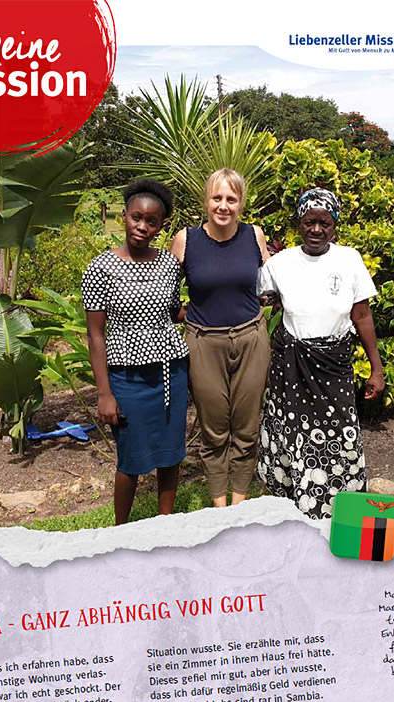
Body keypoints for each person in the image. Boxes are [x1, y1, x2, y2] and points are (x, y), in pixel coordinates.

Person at [256, 188, 385, 520]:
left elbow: (362, 315)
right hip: (290, 367)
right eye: (309, 222)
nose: (316, 230)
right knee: (292, 435)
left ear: (335, 224)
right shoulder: (279, 264)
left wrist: (376, 368)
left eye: (324, 223)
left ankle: (342, 516)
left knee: (341, 435)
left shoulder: (349, 260)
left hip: (334, 364)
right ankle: (293, 511)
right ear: (299, 223)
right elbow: (260, 303)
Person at [82, 179, 189, 525]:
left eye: (152, 222)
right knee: (130, 458)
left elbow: (173, 311)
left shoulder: (169, 265)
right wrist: (104, 394)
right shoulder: (100, 268)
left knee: (171, 454)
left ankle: (165, 524)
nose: (142, 227)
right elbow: (95, 335)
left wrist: (217, 307)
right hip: (127, 378)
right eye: (136, 218)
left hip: (171, 373)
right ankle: (121, 531)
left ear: (160, 227)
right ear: (124, 217)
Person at [171, 168, 271, 508]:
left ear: (241, 202)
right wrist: (189, 316)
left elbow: (270, 282)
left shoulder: (254, 235)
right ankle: (220, 508)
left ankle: (239, 504)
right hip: (203, 343)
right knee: (213, 428)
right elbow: (166, 292)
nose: (223, 206)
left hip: (251, 339)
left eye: (231, 198)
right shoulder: (187, 240)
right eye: (217, 198)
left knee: (246, 427)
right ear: (206, 200)